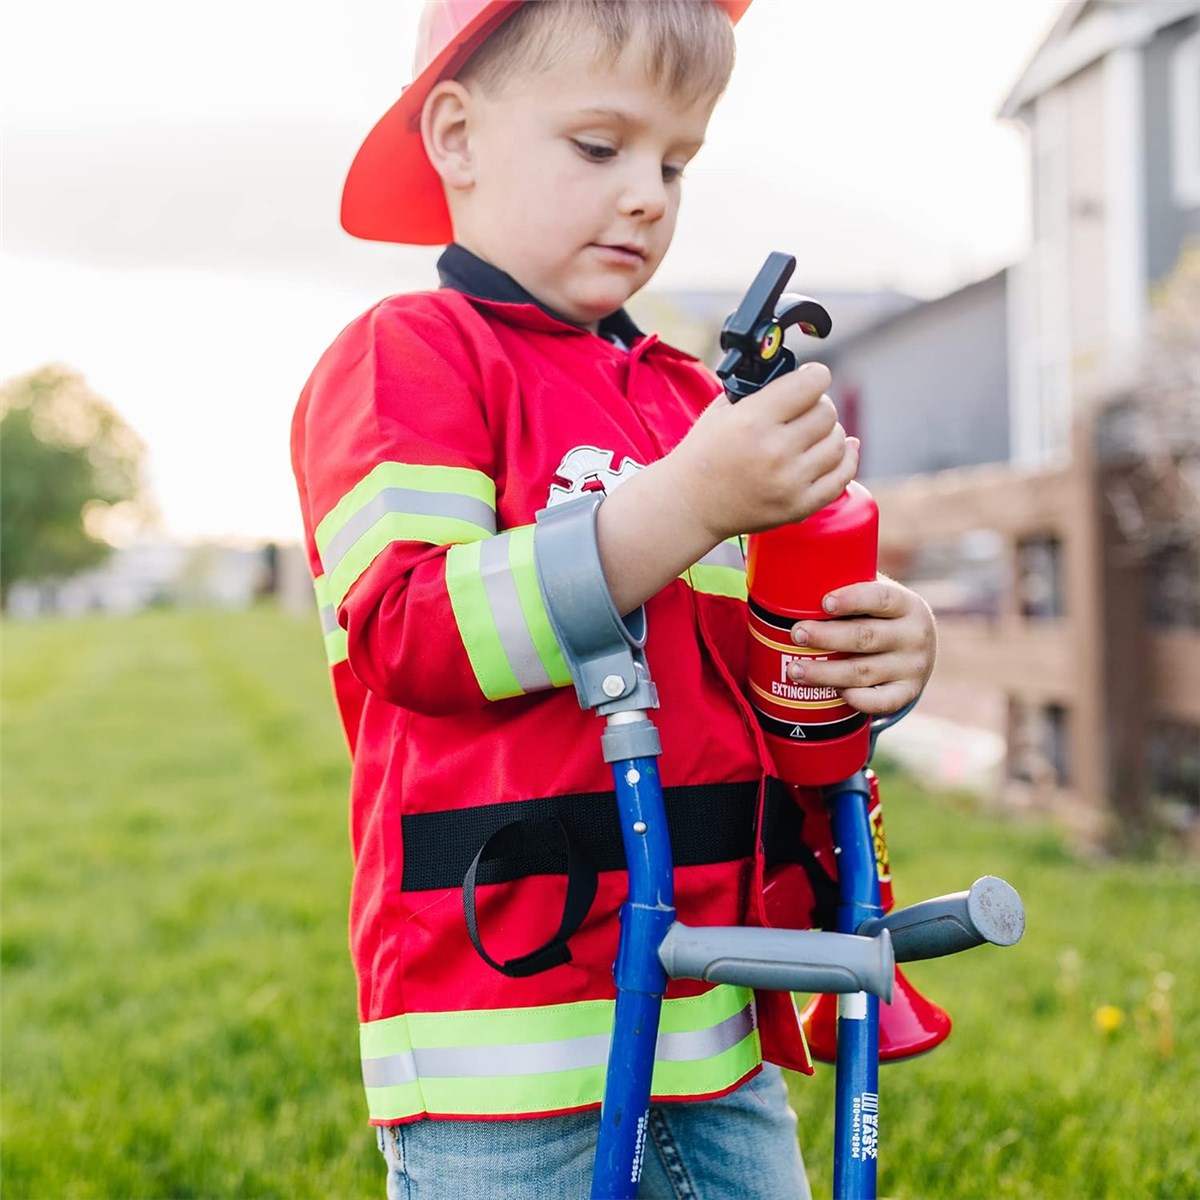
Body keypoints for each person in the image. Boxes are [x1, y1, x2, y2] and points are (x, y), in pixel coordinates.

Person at [291, 2, 937, 1196]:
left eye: (676, 160)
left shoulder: (694, 396)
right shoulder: (412, 358)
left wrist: (874, 652)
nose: (648, 193)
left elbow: (753, 671)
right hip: (507, 1059)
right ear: (458, 136)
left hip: (715, 1025)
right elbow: (409, 629)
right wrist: (683, 503)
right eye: (601, 147)